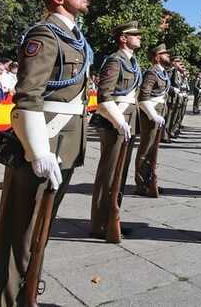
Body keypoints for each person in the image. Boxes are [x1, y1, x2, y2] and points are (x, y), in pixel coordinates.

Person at [0, 0, 93, 306]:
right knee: (21, 231)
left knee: (40, 232)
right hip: (45, 142)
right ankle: (4, 299)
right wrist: (37, 151)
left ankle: (25, 293)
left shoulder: (74, 37)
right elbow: (28, 96)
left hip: (66, 143)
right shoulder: (45, 36)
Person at [90, 21, 142, 239]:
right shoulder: (115, 60)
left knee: (120, 173)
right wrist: (119, 120)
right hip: (115, 119)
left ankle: (113, 216)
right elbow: (104, 95)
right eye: (135, 35)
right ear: (123, 38)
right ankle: (100, 222)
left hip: (128, 118)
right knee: (109, 172)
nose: (139, 38)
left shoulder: (132, 61)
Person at [135, 43, 171, 197]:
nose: (168, 55)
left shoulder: (162, 72)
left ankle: (150, 180)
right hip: (152, 113)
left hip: (159, 111)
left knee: (153, 150)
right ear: (157, 57)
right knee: (147, 148)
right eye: (165, 53)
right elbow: (143, 96)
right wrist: (152, 115)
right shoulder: (152, 72)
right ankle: (141, 183)